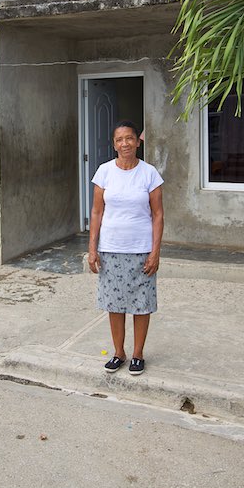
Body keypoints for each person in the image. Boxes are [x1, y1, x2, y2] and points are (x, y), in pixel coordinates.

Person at [87, 120, 164, 376]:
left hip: (141, 249)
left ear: (137, 141)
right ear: (114, 144)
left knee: (141, 304)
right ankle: (119, 353)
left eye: (129, 138)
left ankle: (138, 354)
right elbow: (97, 212)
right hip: (111, 249)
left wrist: (155, 251)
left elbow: (158, 214)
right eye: (119, 139)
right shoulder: (104, 172)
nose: (125, 143)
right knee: (115, 304)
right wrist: (93, 248)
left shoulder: (149, 173)